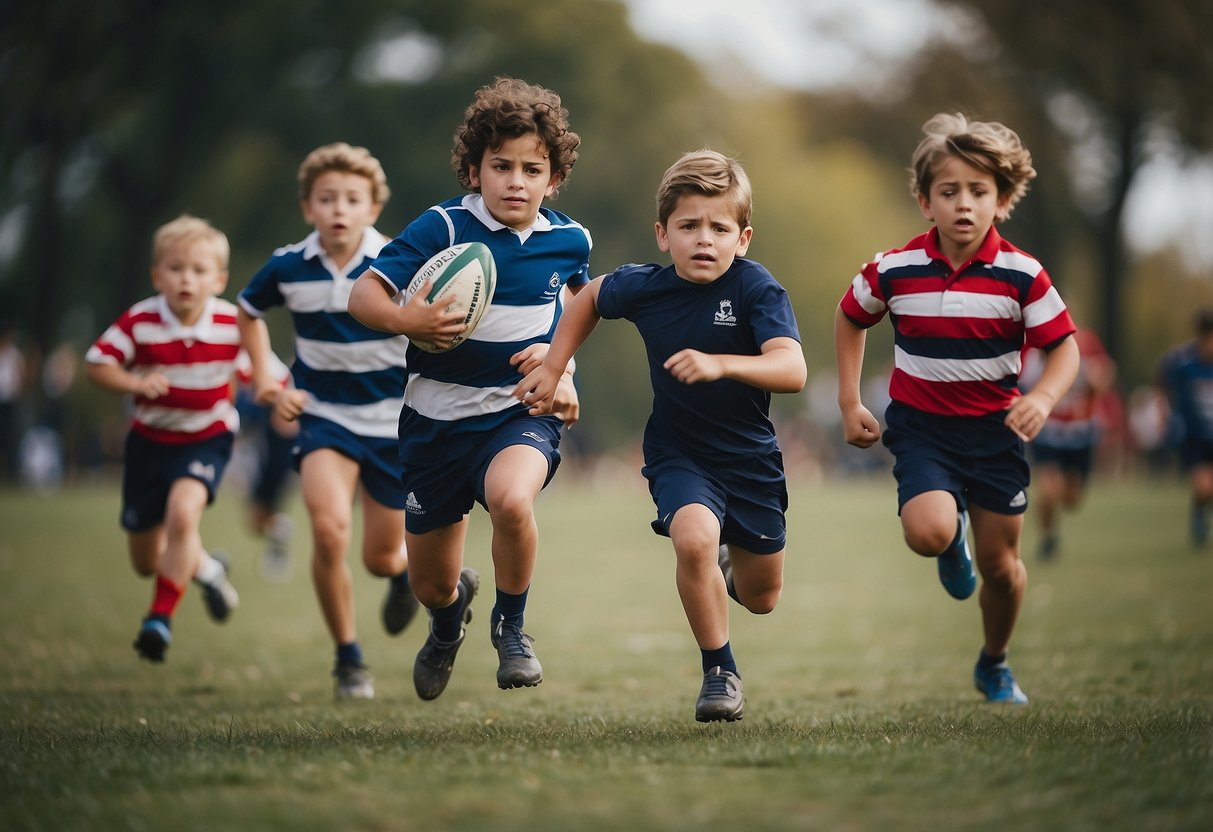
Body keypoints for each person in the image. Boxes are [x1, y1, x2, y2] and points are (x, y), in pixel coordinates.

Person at [515, 149, 807, 722]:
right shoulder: (646, 287)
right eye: (689, 226)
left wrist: (724, 364)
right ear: (662, 234)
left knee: (763, 598)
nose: (704, 239)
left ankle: (727, 567)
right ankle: (720, 672)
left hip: (751, 462)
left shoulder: (757, 290)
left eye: (719, 228)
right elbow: (591, 297)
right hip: (680, 454)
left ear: (742, 238)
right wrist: (554, 365)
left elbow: (792, 370)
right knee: (694, 539)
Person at [347, 77, 590, 701]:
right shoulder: (442, 228)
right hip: (433, 424)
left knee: (512, 501)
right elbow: (364, 294)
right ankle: (450, 616)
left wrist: (563, 374)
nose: (516, 181)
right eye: (500, 166)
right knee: (431, 583)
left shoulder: (570, 240)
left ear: (553, 178)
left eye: (532, 169)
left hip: (516, 414)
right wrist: (408, 319)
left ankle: (512, 629)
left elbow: (576, 307)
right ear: (473, 169)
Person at [834, 113, 1079, 705]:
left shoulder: (1023, 275)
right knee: (928, 531)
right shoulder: (895, 269)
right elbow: (850, 316)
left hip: (996, 435)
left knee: (1002, 569)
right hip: (923, 431)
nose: (963, 205)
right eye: (949, 192)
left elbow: (1064, 349)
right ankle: (950, 542)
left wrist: (1043, 398)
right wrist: (849, 401)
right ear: (925, 201)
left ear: (1002, 199)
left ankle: (994, 662)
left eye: (978, 191)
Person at [237, 142, 419, 700]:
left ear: (372, 208)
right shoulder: (288, 264)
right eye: (327, 198)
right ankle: (348, 658)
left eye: (352, 199)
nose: (339, 208)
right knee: (327, 529)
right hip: (324, 417)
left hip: (392, 423)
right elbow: (247, 312)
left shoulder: (399, 261)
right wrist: (268, 379)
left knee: (380, 554)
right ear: (307, 207)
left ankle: (405, 577)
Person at [85, 214, 244, 663]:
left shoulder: (233, 324)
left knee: (182, 514)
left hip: (206, 438)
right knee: (146, 558)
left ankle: (158, 620)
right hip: (149, 444)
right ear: (158, 276)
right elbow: (97, 364)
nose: (186, 279)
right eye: (176, 268)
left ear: (219, 279)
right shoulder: (140, 320)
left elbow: (263, 372)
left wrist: (281, 397)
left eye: (198, 270)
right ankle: (209, 570)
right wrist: (134, 384)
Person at [1020, 327, 1117, 559]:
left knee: (1073, 499)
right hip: (1048, 430)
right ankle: (1049, 538)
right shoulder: (1030, 348)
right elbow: (1020, 382)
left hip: (1079, 433)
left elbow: (1106, 372)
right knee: (1047, 489)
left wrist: (1097, 381)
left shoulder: (1086, 343)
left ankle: (1059, 497)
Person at [233, 349, 298, 581]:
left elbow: (282, 403)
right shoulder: (245, 356)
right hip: (267, 442)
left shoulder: (248, 360)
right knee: (256, 521)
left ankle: (278, 534)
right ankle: (278, 531)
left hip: (275, 445)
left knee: (256, 517)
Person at [1156, 307, 1213, 549]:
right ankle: (1199, 511)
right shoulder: (1183, 362)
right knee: (1204, 487)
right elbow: (1162, 380)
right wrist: (1166, 414)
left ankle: (1200, 510)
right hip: (1195, 437)